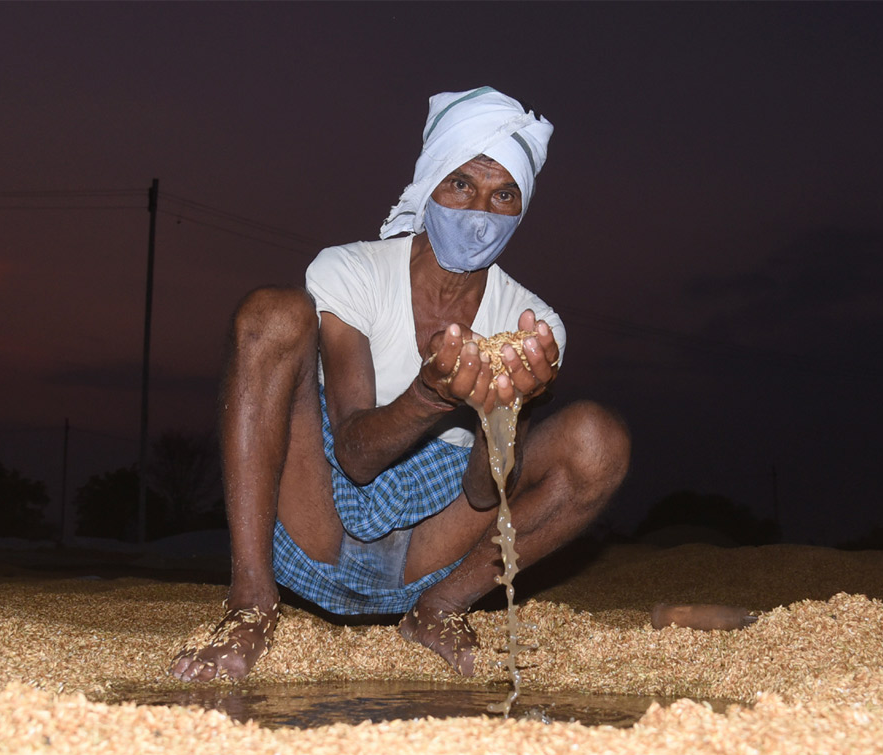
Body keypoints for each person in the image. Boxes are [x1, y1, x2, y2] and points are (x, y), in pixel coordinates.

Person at [170, 86, 630, 683]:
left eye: (503, 195)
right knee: (271, 314)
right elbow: (357, 457)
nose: (479, 213)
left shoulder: (533, 326)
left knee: (599, 440)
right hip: (320, 518)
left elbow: (488, 494)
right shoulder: (353, 271)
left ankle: (442, 608)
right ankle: (251, 601)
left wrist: (504, 408)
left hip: (433, 552)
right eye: (461, 184)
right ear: (431, 181)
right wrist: (430, 396)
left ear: (522, 209)